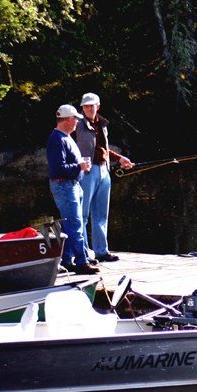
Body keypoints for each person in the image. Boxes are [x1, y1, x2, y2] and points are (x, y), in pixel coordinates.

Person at [71, 92, 133, 263]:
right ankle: (83, 254)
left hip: (104, 171)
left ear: (98, 106)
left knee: (101, 215)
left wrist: (119, 158)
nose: (89, 108)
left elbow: (102, 148)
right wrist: (76, 165)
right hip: (86, 173)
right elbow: (68, 146)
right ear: (82, 108)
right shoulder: (77, 124)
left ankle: (101, 251)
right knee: (82, 215)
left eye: (92, 105)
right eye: (86, 106)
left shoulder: (103, 124)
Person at [46, 104, 98, 275]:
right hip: (64, 185)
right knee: (74, 224)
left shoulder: (66, 137)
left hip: (73, 184)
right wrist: (80, 166)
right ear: (68, 119)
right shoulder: (57, 139)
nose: (77, 122)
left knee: (73, 224)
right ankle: (82, 262)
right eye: (75, 119)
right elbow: (58, 168)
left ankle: (67, 260)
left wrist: (81, 167)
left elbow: (68, 165)